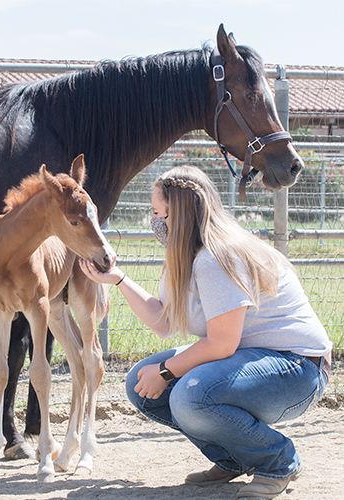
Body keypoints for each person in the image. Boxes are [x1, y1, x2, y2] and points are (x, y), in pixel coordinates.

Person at [79, 165, 332, 499]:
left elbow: (222, 343)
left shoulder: (216, 256)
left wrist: (166, 372)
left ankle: (278, 460)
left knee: (190, 396)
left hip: (298, 370)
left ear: (179, 214)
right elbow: (163, 322)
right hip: (252, 361)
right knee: (140, 381)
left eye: (157, 213)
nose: (153, 221)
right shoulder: (184, 254)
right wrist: (118, 279)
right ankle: (235, 457)